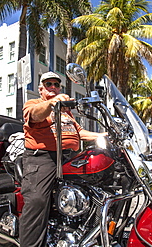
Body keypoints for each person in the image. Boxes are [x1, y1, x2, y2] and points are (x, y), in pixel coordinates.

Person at [19, 71, 105, 247]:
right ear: (41, 88)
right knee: (37, 201)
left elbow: (79, 132)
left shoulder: (66, 112)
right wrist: (52, 103)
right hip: (43, 158)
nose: (53, 87)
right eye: (48, 84)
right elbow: (35, 115)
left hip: (69, 157)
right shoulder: (35, 103)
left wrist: (102, 135)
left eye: (56, 85)